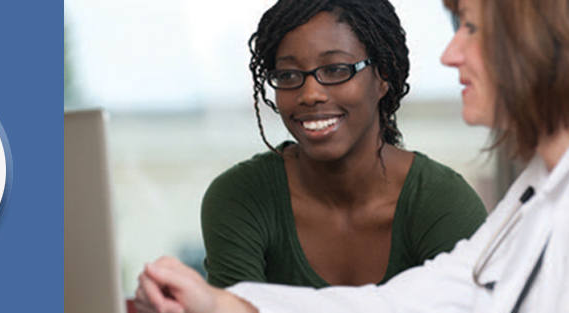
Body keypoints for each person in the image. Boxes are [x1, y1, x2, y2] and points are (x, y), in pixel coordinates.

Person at [134, 0, 569, 313]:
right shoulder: (537, 196)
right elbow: (405, 310)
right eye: (291, 75)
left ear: (544, 39)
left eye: (471, 29)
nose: (450, 54)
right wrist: (222, 306)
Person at [201, 0, 487, 290]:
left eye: (336, 70)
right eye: (288, 75)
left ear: (383, 76)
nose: (310, 94)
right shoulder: (241, 197)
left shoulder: (442, 203)